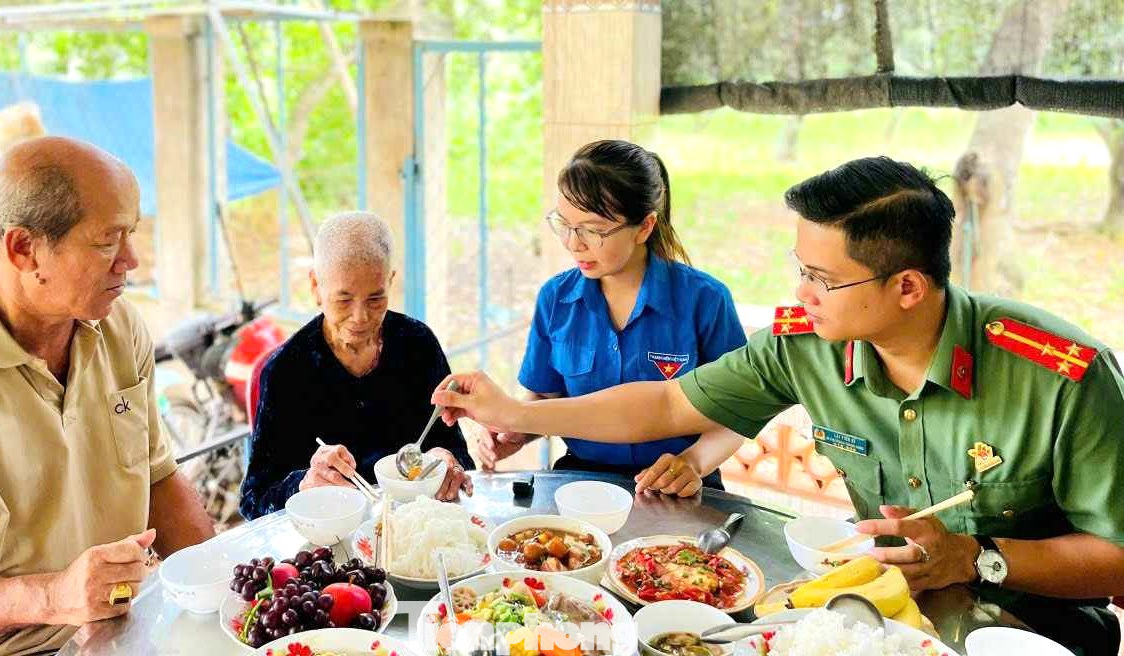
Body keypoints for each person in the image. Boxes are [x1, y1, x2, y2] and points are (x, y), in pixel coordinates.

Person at [433, 156, 1124, 655]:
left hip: (1028, 631)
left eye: (822, 279)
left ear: (908, 288)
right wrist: (517, 415)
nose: (800, 297)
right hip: (871, 615)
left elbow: (1117, 557)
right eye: (800, 269)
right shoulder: (806, 344)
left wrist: (975, 557)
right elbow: (667, 404)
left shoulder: (1061, 376)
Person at [0, 137, 216, 655]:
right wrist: (55, 596)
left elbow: (157, 477)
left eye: (131, 234)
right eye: (107, 241)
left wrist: (229, 586)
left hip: (126, 626)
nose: (131, 261)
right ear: (23, 248)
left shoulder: (116, 326)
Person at [478, 140, 747, 496]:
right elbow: (544, 398)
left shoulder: (705, 301)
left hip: (676, 482)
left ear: (644, 227)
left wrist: (695, 462)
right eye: (565, 224)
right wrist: (515, 432)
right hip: (580, 480)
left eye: (593, 229)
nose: (574, 244)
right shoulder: (556, 298)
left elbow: (739, 412)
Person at [239, 211, 474, 519]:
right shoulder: (287, 371)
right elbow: (254, 500)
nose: (361, 317)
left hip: (413, 527)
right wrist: (304, 484)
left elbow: (458, 456)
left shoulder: (417, 344)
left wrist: (447, 461)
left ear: (390, 281)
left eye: (376, 299)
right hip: (329, 537)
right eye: (343, 300)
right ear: (315, 287)